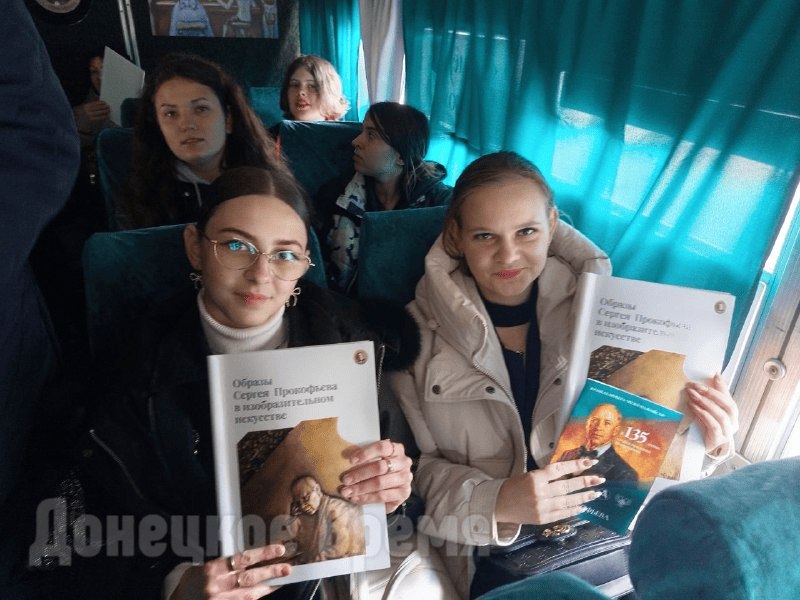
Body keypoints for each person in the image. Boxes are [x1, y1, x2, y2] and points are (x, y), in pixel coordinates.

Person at [390, 151, 739, 598]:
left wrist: (708, 442)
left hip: (613, 544)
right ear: (456, 237)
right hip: (495, 552)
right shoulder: (410, 337)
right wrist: (499, 500)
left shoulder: (614, 316)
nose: (508, 254)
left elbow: (644, 443)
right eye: (485, 236)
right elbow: (411, 479)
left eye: (527, 232)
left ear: (552, 224)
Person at [81, 166, 417, 599]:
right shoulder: (134, 362)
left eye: (285, 254)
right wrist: (176, 584)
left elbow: (399, 493)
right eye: (237, 246)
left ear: (304, 265)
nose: (261, 274)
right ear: (195, 248)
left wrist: (389, 497)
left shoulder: (351, 342)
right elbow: (98, 522)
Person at [119, 52, 285, 229]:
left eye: (201, 109)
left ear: (228, 119)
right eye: (171, 114)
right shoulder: (141, 197)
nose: (186, 125)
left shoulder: (267, 184)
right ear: (158, 126)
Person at [317, 101, 452, 294]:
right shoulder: (336, 195)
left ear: (402, 156)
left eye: (371, 135)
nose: (356, 141)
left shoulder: (440, 205)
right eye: (363, 131)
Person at [557, 403, 638, 482]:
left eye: (607, 423)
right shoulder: (568, 454)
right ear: (587, 423)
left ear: (615, 431)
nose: (598, 427)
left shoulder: (625, 473)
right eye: (595, 420)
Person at [72, 47, 116, 184]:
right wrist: (76, 121)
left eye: (105, 70)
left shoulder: (148, 98)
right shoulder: (85, 107)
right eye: (94, 72)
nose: (100, 78)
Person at [278, 55, 349, 123]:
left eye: (312, 86)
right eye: (295, 85)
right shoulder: (276, 131)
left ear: (329, 93)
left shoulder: (346, 131)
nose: (301, 92)